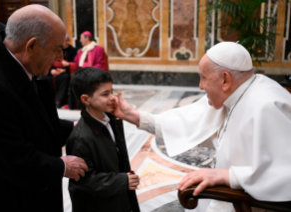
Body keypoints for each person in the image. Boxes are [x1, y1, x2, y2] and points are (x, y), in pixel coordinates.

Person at [112, 42, 291, 212]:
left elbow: (284, 174)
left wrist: (228, 176)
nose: (200, 85)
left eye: (203, 78)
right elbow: (182, 122)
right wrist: (133, 116)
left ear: (225, 80)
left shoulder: (267, 105)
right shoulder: (236, 92)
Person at [0, 5, 88, 212]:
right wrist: (62, 166)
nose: (60, 58)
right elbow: (12, 159)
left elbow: (31, 121)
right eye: (57, 49)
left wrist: (74, 127)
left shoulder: (17, 65)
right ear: (32, 46)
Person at [66, 67, 140, 212]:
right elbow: (84, 180)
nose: (113, 97)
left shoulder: (111, 119)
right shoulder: (80, 137)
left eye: (111, 91)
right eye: (105, 94)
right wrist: (122, 181)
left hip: (116, 198)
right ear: (86, 99)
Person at [69, 31, 109, 109]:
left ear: (87, 38)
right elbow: (76, 63)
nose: (80, 40)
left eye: (81, 38)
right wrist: (68, 64)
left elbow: (101, 63)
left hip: (93, 75)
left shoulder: (98, 49)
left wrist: (89, 72)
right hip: (82, 74)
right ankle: (76, 105)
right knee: (72, 81)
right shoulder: (81, 51)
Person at [40, 34, 77, 108]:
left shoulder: (72, 50)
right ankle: (45, 101)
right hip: (51, 71)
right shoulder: (53, 49)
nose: (68, 42)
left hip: (64, 72)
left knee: (65, 78)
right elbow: (47, 61)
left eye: (68, 40)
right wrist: (51, 71)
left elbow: (74, 63)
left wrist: (66, 67)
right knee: (43, 78)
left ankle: (59, 101)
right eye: (66, 41)